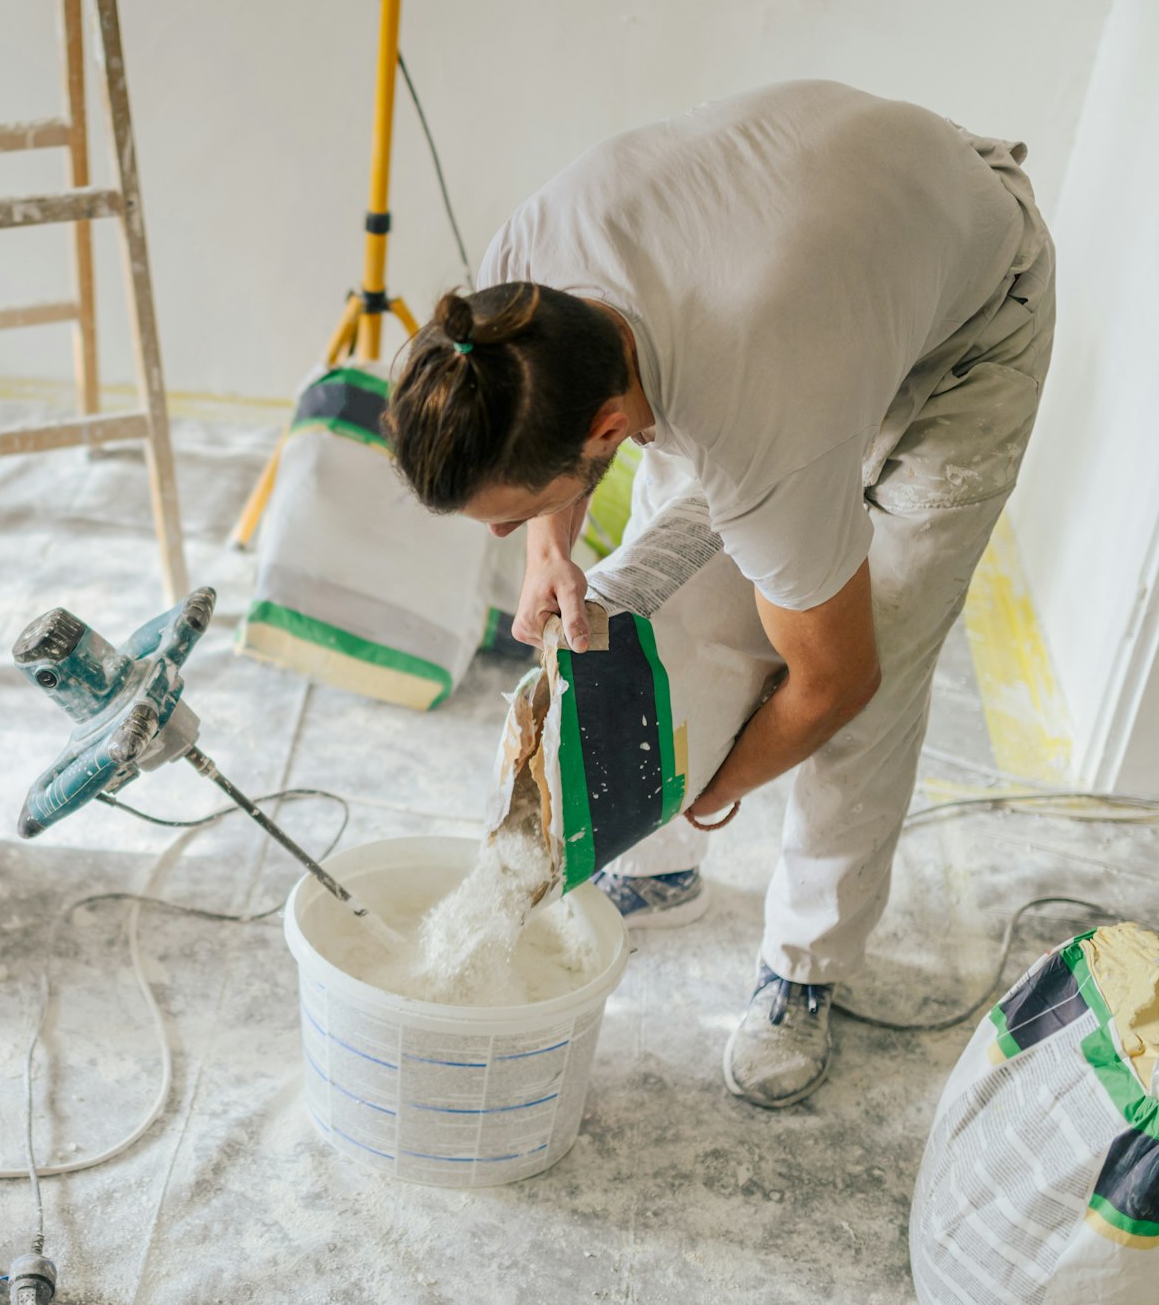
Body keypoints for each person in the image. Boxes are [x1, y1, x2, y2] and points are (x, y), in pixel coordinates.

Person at [384, 80, 1054, 1108]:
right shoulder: (513, 305)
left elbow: (836, 678)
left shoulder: (758, 415)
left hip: (967, 319)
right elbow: (574, 454)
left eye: (516, 515)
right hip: (817, 275)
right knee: (661, 603)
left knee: (883, 629)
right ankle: (650, 872)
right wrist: (547, 558)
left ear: (606, 430)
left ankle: (804, 962)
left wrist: (703, 788)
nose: (515, 536)